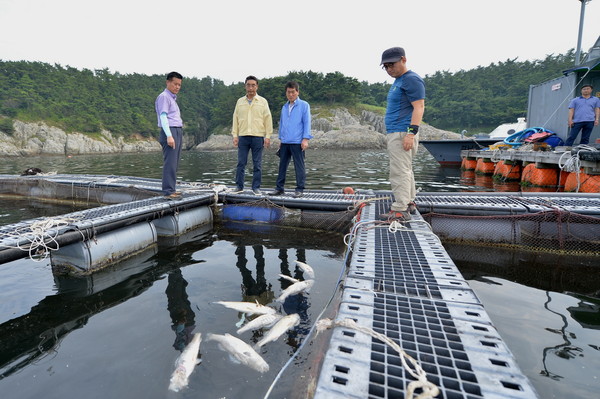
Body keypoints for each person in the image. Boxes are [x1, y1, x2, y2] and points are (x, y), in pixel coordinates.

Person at [379, 47, 425, 222]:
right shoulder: (399, 81)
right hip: (396, 132)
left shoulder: (411, 79)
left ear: (403, 60)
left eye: (392, 64)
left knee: (399, 171)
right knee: (406, 170)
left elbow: (419, 107)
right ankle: (409, 202)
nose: (389, 69)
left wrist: (411, 133)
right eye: (386, 66)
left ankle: (400, 209)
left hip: (402, 132)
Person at [269, 81, 312, 198]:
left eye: (293, 92)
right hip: (285, 142)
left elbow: (307, 122)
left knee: (299, 166)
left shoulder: (304, 105)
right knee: (282, 165)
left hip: (298, 141)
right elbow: (282, 124)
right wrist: (281, 139)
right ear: (286, 93)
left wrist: (305, 139)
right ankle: (279, 188)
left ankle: (299, 189)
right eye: (288, 92)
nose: (291, 94)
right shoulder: (284, 106)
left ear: (297, 92)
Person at [231, 75, 273, 195]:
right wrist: (235, 135)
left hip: (258, 136)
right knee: (241, 163)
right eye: (248, 85)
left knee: (257, 164)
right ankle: (239, 186)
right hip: (243, 136)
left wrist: (268, 136)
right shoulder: (240, 102)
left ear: (257, 86)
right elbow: (235, 118)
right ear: (245, 86)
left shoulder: (263, 102)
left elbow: (268, 119)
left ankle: (256, 187)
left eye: (253, 85)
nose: (251, 87)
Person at [155, 71, 184, 199]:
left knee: (175, 162)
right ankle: (168, 191)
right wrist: (169, 135)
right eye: (175, 84)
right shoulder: (164, 97)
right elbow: (163, 117)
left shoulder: (172, 98)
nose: (177, 87)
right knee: (170, 162)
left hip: (176, 130)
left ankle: (171, 188)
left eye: (179, 85)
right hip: (170, 131)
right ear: (168, 82)